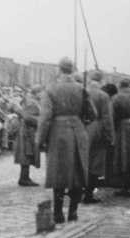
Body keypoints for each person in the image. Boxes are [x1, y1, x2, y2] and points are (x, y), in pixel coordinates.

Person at [36, 57, 92, 223]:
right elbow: (92, 113)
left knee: (58, 172)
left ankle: (58, 214)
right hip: (78, 131)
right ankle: (73, 213)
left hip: (58, 133)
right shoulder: (81, 88)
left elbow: (45, 117)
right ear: (72, 69)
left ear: (59, 69)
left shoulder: (50, 89)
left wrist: (40, 139)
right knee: (78, 171)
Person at [83, 70, 114, 203]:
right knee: (96, 163)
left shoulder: (82, 92)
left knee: (82, 161)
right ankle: (89, 195)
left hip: (81, 128)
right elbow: (107, 118)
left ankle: (78, 191)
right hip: (97, 130)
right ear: (101, 80)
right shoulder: (103, 96)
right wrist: (109, 136)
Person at [14, 85, 42, 187]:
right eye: (41, 92)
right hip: (27, 133)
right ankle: (24, 178)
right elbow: (27, 118)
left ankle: (25, 177)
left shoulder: (31, 101)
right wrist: (40, 121)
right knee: (26, 154)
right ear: (37, 93)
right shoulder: (32, 103)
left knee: (27, 155)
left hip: (27, 132)